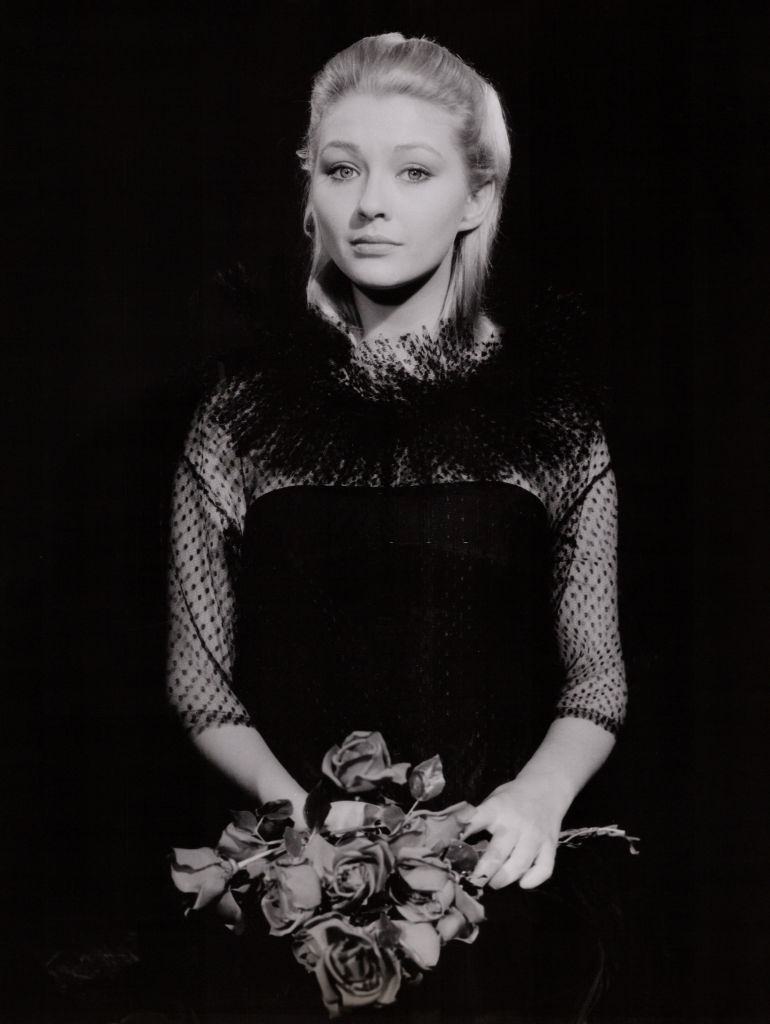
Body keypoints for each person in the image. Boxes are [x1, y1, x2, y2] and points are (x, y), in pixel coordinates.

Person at [165, 31, 627, 1022]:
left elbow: (595, 680)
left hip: (494, 905)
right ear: (311, 192)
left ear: (473, 197)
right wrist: (296, 821)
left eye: (413, 170)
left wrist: (536, 798)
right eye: (342, 169)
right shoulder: (240, 419)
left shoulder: (551, 423)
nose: (370, 201)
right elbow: (198, 681)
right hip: (285, 903)